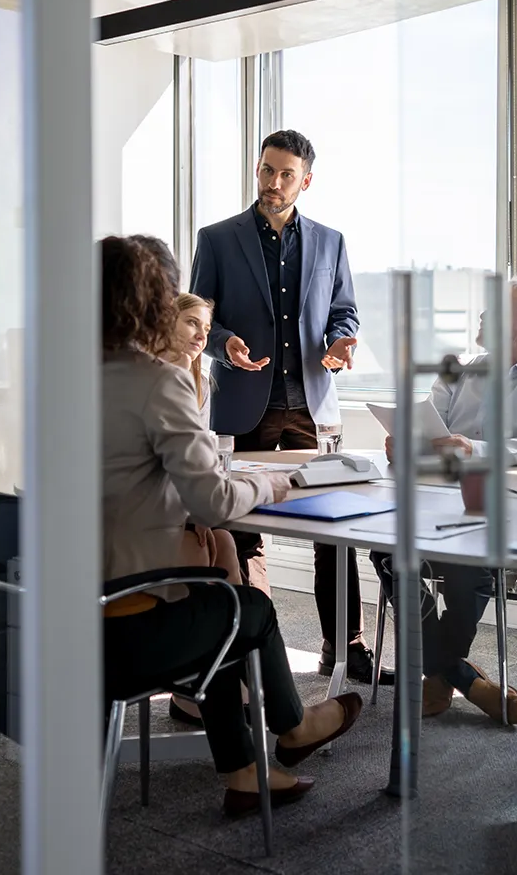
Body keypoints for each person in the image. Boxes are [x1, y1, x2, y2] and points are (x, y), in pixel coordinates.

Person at [101, 236, 363, 817]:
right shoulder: (156, 381)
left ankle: (245, 771)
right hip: (125, 635)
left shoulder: (66, 380)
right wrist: (269, 484)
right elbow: (217, 499)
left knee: (215, 587)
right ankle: (293, 729)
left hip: (59, 622)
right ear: (151, 300)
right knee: (251, 608)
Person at [190, 129, 389, 686]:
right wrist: (221, 341)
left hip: (311, 406)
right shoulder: (217, 238)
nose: (273, 183)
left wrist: (342, 341)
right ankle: (256, 647)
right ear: (257, 168)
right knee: (241, 528)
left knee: (334, 527)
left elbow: (344, 312)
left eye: (285, 174)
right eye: (266, 170)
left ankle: (343, 646)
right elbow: (196, 318)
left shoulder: (331, 241)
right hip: (242, 405)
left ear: (306, 180)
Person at [374, 279, 517, 724]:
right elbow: (429, 423)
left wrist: (475, 449)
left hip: (497, 506)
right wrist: (405, 440)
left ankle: (440, 675)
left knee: (468, 569)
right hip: (436, 494)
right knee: (385, 549)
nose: (483, 315)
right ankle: (458, 674)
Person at [159, 289, 244, 725]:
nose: (200, 335)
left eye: (206, 328)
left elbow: (200, 452)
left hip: (183, 500)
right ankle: (199, 684)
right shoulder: (153, 381)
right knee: (203, 546)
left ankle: (219, 677)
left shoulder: (197, 378)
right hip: (153, 517)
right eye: (192, 323)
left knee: (225, 542)